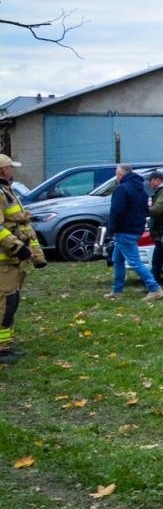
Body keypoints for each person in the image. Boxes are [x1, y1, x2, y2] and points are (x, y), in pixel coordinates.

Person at [0, 153, 47, 364]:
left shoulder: (7, 190)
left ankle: (5, 344)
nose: (13, 170)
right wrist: (18, 248)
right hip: (4, 263)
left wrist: (36, 255)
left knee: (12, 302)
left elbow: (21, 224)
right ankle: (1, 349)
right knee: (4, 303)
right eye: (11, 167)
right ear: (2, 170)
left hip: (12, 263)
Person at [108, 162, 163, 301]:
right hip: (136, 229)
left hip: (124, 230)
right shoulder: (141, 189)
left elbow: (116, 211)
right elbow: (145, 210)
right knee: (118, 260)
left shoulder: (122, 189)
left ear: (120, 175)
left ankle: (155, 288)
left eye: (116, 174)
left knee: (134, 261)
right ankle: (117, 291)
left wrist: (112, 227)